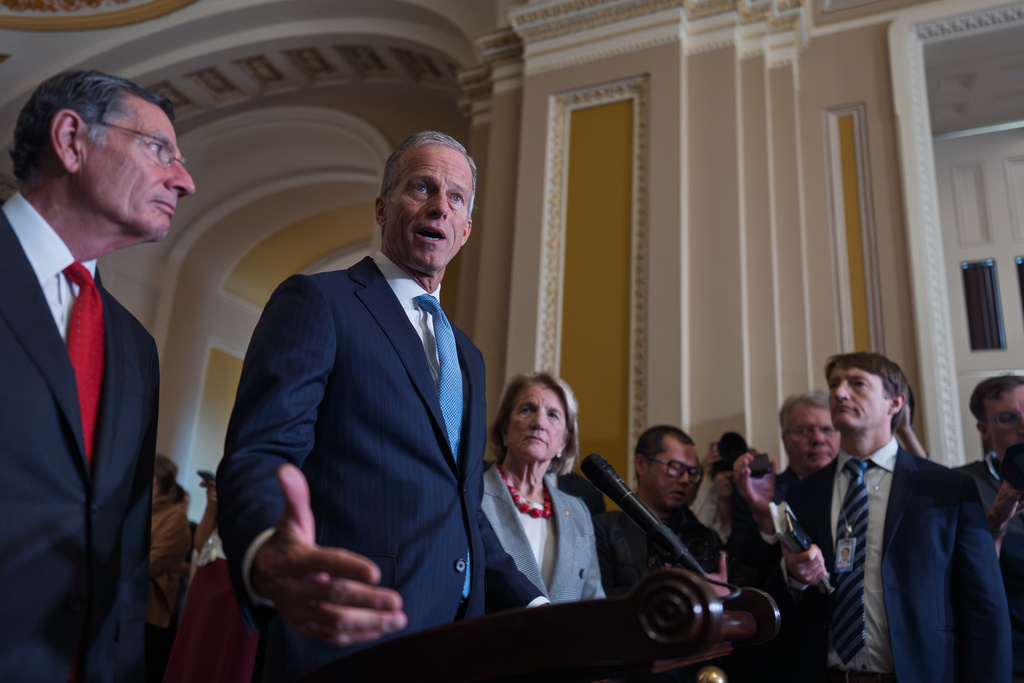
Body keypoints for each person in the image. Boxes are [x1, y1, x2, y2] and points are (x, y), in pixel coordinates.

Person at [216, 131, 543, 682]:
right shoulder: (319, 301)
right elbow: (263, 454)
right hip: (348, 636)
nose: (440, 204)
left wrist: (535, 606)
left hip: (458, 646)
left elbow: (459, 506)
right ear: (383, 206)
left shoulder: (469, 356)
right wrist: (269, 552)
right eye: (422, 187)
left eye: (457, 197)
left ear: (465, 229)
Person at [0, 70, 194, 682]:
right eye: (159, 150)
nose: (184, 181)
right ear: (71, 140)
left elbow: (129, 549)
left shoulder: (136, 347)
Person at [771, 352, 1010, 682]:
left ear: (894, 402)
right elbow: (786, 607)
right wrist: (793, 577)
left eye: (857, 384)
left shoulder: (947, 488)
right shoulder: (803, 493)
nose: (839, 393)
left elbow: (985, 607)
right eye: (834, 385)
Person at [481, 372, 604, 604]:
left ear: (564, 443)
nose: (539, 422)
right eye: (527, 409)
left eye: (553, 415)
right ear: (504, 429)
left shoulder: (578, 511)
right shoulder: (474, 493)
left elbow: (593, 600)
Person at [593, 426, 726, 597]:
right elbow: (597, 599)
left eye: (692, 473)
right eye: (676, 467)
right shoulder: (605, 528)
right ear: (641, 464)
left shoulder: (705, 536)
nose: (686, 480)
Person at [959, 375, 1024, 680]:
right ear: (984, 428)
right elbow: (967, 587)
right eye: (1008, 417)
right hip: (1008, 658)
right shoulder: (961, 484)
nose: (1023, 427)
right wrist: (996, 522)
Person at [146, 455, 192, 683]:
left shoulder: (175, 519)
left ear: (153, 481)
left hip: (148, 616)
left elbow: (148, 564)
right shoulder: (139, 509)